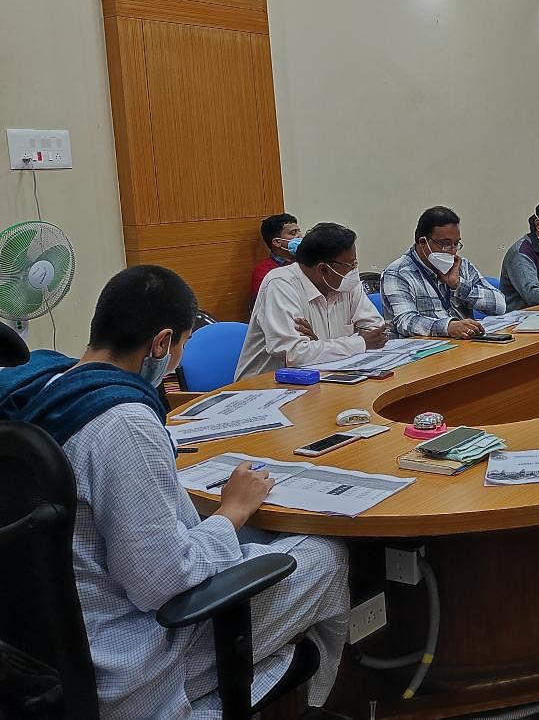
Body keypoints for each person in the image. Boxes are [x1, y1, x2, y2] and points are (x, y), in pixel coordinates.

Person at [0, 266, 349, 719]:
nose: (177, 361)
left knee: (250, 545)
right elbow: (162, 582)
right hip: (130, 664)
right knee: (324, 553)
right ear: (162, 343)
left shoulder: (40, 388)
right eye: (182, 345)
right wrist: (234, 511)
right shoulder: (123, 422)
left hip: (46, 653)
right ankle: (324, 704)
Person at [236, 222, 388, 380]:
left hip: (324, 379)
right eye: (350, 264)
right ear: (323, 269)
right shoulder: (280, 284)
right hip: (266, 388)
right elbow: (295, 354)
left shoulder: (345, 282)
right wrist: (359, 342)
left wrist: (319, 345)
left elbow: (377, 332)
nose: (354, 270)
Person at [380, 206, 505, 339]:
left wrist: (459, 286)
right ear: (423, 242)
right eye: (445, 244)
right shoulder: (398, 273)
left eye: (456, 244)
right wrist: (448, 327)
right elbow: (406, 322)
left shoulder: (461, 265)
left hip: (465, 345)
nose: (451, 250)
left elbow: (500, 306)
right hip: (422, 351)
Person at [250, 213, 303, 301]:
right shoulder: (263, 271)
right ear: (277, 242)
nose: (300, 236)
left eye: (299, 231)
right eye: (293, 233)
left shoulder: (305, 262)